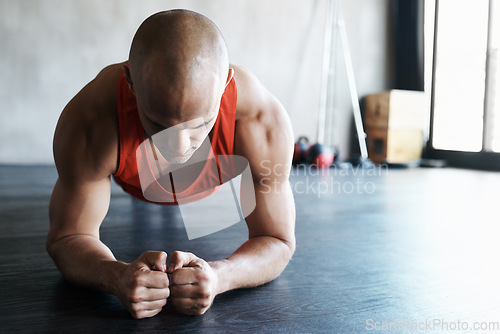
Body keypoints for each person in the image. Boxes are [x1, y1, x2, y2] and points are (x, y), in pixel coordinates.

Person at [47, 9, 295, 319]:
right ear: (130, 83)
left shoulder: (260, 121)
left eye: (199, 124)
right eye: (157, 122)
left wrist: (220, 276)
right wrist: (115, 276)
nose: (179, 148)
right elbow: (67, 237)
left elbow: (277, 239)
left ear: (225, 85)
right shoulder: (93, 117)